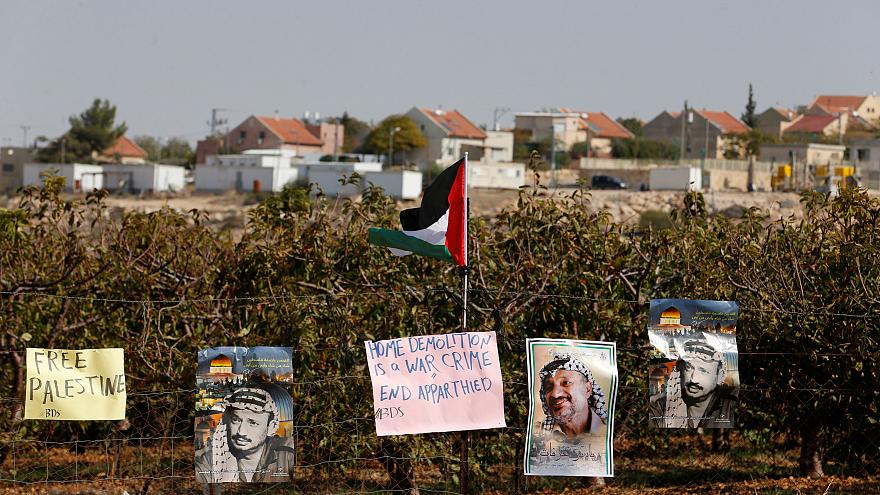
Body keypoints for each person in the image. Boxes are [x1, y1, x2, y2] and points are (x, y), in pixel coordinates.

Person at [195, 387, 294, 483]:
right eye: (236, 420)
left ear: (271, 427)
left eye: (253, 423)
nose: (241, 432)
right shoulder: (211, 460)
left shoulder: (286, 455)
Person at [650, 340, 736, 428]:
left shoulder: (731, 406)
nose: (693, 379)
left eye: (703, 371)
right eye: (689, 368)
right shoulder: (661, 408)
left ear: (720, 375)